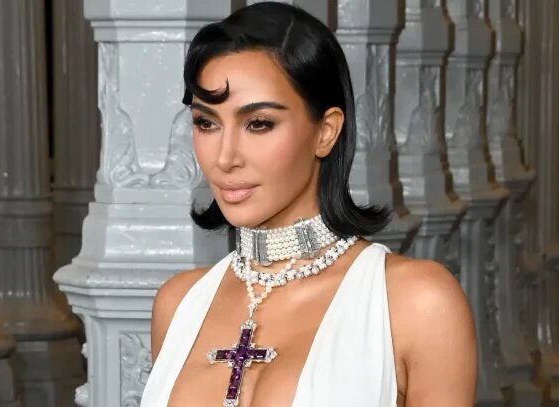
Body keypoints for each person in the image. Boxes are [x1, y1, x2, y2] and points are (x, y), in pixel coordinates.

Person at [140, 2, 477, 406]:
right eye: (206, 123)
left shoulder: (417, 303)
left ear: (326, 132)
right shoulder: (178, 304)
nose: (225, 157)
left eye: (259, 124)